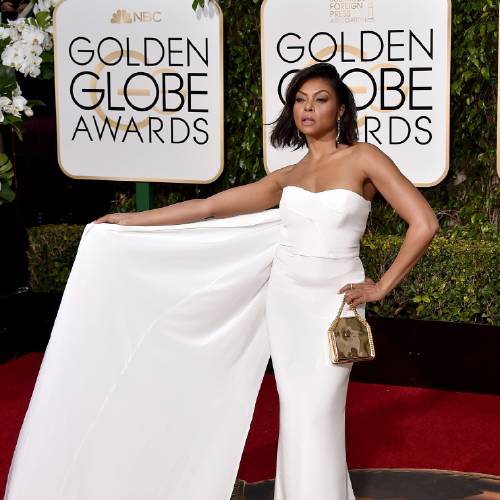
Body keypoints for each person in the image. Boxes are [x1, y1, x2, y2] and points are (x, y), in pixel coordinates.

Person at [92, 62, 439, 499]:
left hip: (336, 305)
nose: (307, 107)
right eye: (299, 99)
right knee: (297, 413)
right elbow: (209, 207)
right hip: (287, 300)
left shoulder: (363, 158)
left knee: (316, 411)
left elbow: (423, 222)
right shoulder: (286, 176)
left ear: (342, 108)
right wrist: (130, 220)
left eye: (320, 99)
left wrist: (382, 286)